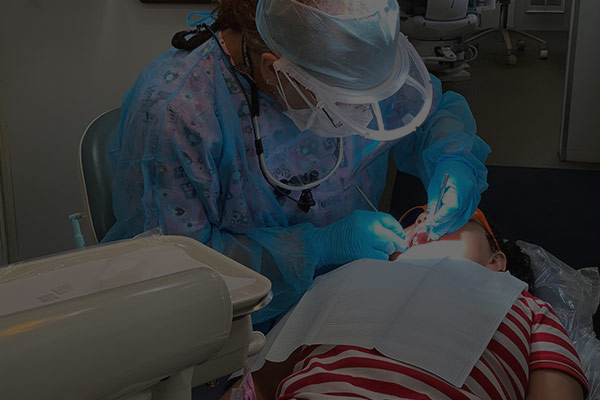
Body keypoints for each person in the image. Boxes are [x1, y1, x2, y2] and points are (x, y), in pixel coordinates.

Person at [105, 0, 491, 326]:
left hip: (348, 297)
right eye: (343, 101)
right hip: (237, 326)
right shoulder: (177, 113)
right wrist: (316, 249)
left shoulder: (351, 54)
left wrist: (453, 158)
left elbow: (428, 115)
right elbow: (180, 275)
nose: (361, 113)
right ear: (274, 70)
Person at [221, 207, 589, 400]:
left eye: (455, 220)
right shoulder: (347, 278)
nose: (428, 221)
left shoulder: (527, 308)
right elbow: (257, 387)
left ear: (496, 261)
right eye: (417, 222)